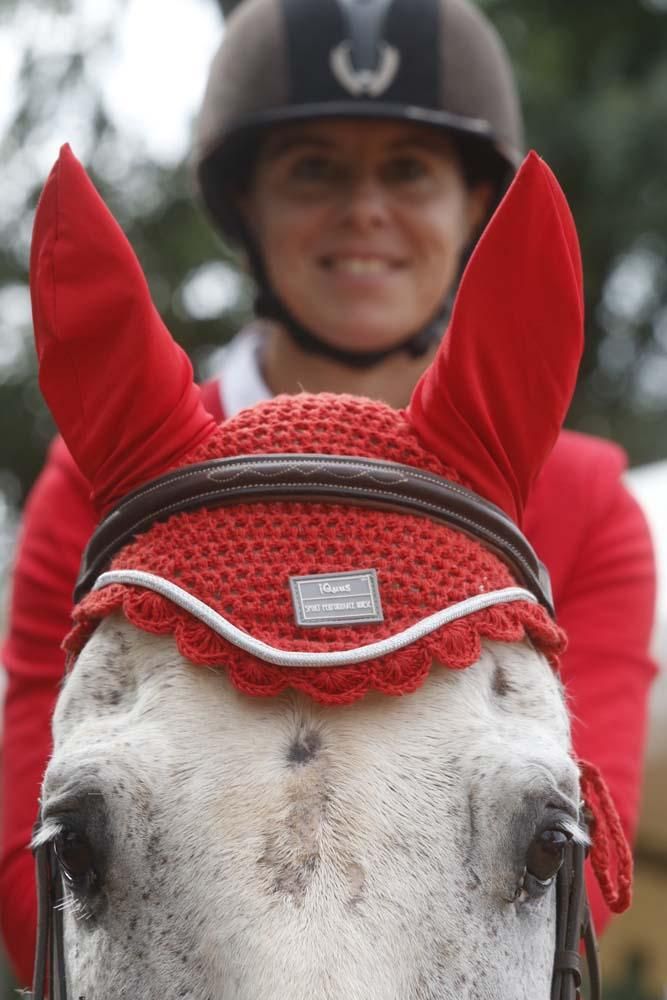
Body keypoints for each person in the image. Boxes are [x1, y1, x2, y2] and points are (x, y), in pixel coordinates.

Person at [0, 0, 656, 985]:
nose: (364, 211)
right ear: (247, 208)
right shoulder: (91, 488)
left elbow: (572, 882)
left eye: (408, 170)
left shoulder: (587, 505)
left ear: (474, 204)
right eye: (314, 168)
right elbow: (34, 871)